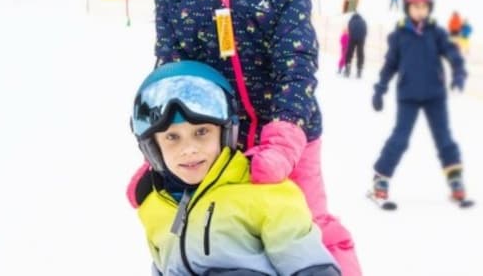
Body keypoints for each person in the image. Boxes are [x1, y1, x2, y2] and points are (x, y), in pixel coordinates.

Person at [128, 0, 361, 274]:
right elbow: (170, 78)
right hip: (214, 138)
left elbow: (297, 64)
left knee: (307, 224)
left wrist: (285, 138)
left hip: (291, 132)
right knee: (210, 227)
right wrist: (158, 153)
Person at [130, 61, 340, 275]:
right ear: (152, 148)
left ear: (225, 134)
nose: (189, 149)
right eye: (172, 137)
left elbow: (308, 262)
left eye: (201, 132)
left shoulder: (264, 193)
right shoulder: (153, 206)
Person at [369, 0, 471, 207]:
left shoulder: (436, 32)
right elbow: (390, 64)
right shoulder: (399, 35)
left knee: (444, 138)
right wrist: (380, 88)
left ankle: (455, 180)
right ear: (407, 8)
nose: (420, 10)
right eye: (415, 6)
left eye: (424, 6)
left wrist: (459, 72)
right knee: (400, 139)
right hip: (408, 95)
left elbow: (452, 52)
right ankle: (381, 178)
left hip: (435, 93)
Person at [344, 12, 366, 78]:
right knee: (360, 54)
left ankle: (347, 68)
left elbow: (349, 29)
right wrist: (363, 38)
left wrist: (351, 35)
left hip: (352, 39)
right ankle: (359, 70)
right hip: (361, 40)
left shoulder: (351, 21)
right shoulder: (363, 21)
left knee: (349, 53)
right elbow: (365, 30)